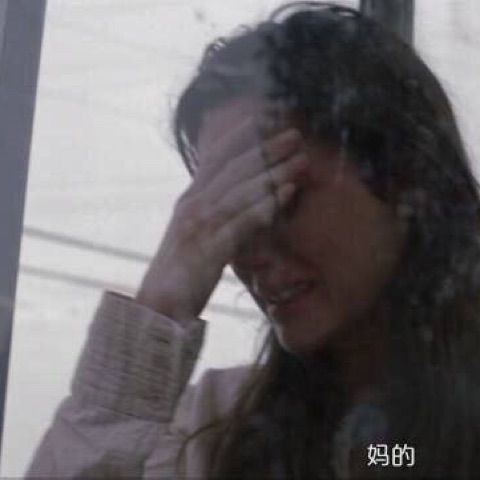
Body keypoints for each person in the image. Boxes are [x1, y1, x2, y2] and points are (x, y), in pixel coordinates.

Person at [25, 2, 480, 479]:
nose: (244, 248)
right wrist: (160, 307)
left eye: (279, 193)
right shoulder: (211, 430)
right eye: (224, 210)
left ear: (404, 176)